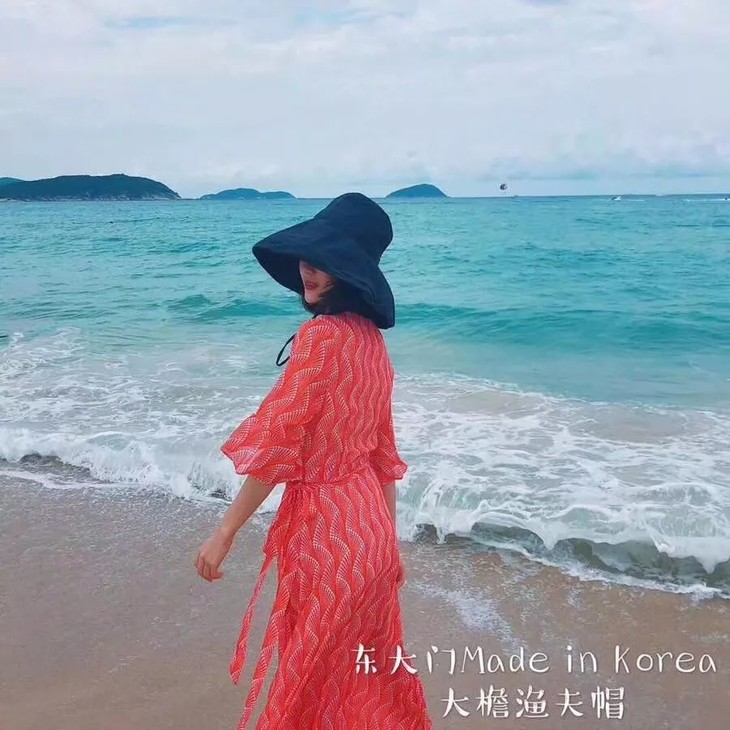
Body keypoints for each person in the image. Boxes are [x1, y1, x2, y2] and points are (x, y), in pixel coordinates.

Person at [194, 193, 433, 729]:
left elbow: (279, 446)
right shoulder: (373, 344)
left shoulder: (320, 338)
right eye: (308, 257)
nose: (308, 269)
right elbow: (383, 459)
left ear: (348, 273)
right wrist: (390, 545)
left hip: (326, 536)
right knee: (364, 683)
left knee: (308, 683)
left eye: (323, 261)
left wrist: (225, 533)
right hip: (370, 535)